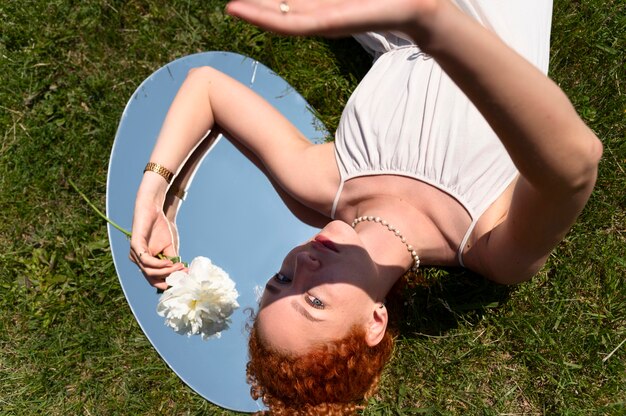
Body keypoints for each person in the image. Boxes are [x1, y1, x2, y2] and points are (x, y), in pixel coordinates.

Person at [129, 0, 602, 413]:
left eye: (282, 280)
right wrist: (430, 21)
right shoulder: (489, 247)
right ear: (375, 321)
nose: (304, 263)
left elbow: (207, 86)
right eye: (313, 300)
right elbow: (576, 163)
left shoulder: (322, 182)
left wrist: (156, 193)